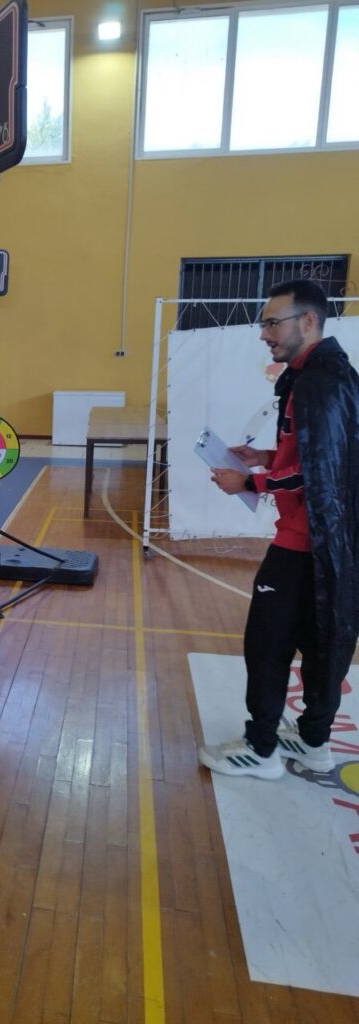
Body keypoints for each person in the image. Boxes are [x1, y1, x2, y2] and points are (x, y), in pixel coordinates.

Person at [199, 279, 359, 780]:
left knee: (267, 643)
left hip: (302, 541)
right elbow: (319, 453)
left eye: (273, 322)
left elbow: (319, 471)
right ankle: (314, 742)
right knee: (319, 640)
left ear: (308, 322)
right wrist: (266, 457)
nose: (264, 333)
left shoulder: (319, 382)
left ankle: (262, 748)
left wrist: (250, 478)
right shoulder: (326, 376)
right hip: (326, 543)